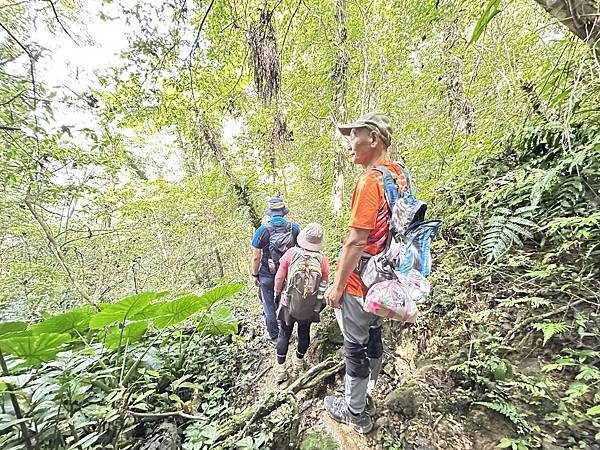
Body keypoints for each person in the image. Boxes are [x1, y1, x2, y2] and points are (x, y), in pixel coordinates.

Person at [323, 112, 408, 434]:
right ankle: (368, 393)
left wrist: (337, 285)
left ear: (373, 138)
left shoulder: (370, 180)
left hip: (361, 282)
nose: (349, 144)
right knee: (373, 334)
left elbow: (356, 240)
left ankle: (356, 412)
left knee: (354, 346)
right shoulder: (399, 173)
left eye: (353, 135)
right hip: (387, 278)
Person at [272, 223, 329, 383]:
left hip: (288, 302)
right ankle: (298, 361)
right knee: (304, 333)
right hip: (309, 306)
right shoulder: (322, 260)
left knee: (284, 334)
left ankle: (281, 370)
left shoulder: (291, 254)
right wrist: (317, 303)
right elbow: (324, 283)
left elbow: (279, 277)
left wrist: (277, 294)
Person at [251, 197, 300, 346]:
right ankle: (286, 332)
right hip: (287, 274)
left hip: (267, 274)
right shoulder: (294, 228)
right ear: (283, 212)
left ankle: (274, 336)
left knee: (268, 305)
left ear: (270, 212)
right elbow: (301, 251)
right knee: (285, 301)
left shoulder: (262, 231)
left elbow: (256, 257)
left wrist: (255, 274)